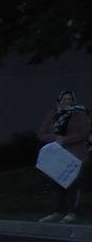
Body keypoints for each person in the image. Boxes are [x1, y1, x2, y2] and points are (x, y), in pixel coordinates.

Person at [38, 89, 90, 222]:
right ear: (59, 101)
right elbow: (42, 133)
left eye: (70, 99)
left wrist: (65, 140)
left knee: (73, 182)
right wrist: (55, 138)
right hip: (57, 155)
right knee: (58, 183)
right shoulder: (53, 115)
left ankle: (72, 212)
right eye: (64, 99)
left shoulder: (79, 114)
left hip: (75, 154)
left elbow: (84, 134)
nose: (67, 102)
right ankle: (58, 211)